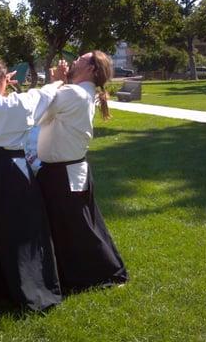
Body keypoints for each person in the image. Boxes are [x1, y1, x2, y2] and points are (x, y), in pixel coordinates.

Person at [0, 57, 63, 311]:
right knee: (21, 232)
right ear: (3, 79)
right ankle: (27, 290)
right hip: (12, 172)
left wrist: (0, 84)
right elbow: (44, 95)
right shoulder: (15, 105)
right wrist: (57, 79)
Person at [36, 51, 128, 293]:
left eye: (81, 58)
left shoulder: (73, 93)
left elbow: (37, 112)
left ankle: (95, 273)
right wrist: (60, 81)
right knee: (81, 225)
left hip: (62, 173)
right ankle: (101, 269)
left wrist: (54, 80)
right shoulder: (77, 92)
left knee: (75, 227)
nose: (75, 60)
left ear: (91, 69)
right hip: (69, 170)